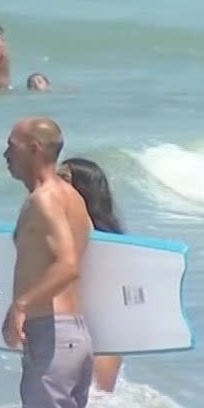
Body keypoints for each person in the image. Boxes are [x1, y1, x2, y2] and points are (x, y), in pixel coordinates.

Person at [1, 118, 94, 408]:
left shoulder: (44, 200)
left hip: (52, 334)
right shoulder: (73, 197)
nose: (4, 154)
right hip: (76, 334)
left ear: (34, 149)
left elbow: (68, 265)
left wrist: (21, 305)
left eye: (11, 146)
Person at [57, 157, 124, 393]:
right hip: (79, 318)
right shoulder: (111, 238)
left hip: (96, 319)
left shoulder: (100, 235)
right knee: (90, 401)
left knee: (97, 400)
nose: (54, 182)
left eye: (63, 178)